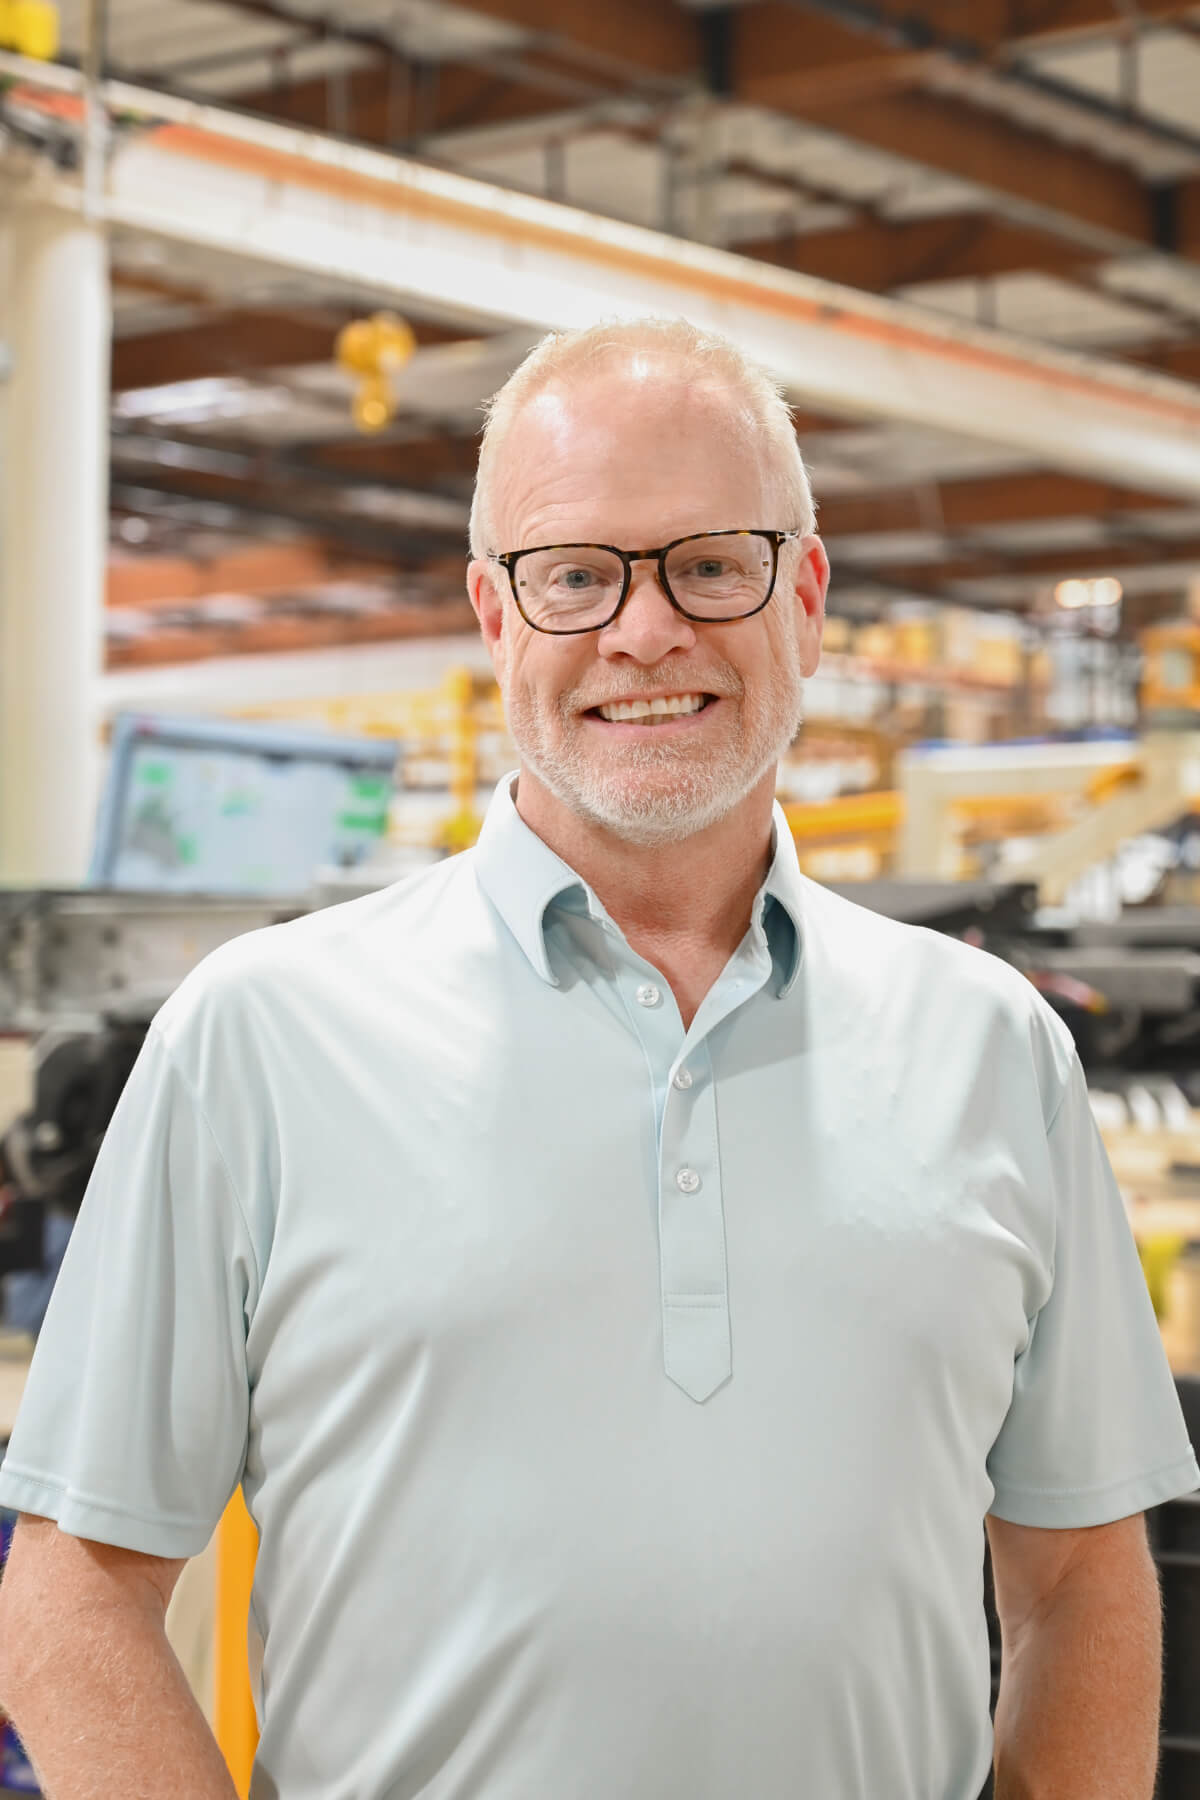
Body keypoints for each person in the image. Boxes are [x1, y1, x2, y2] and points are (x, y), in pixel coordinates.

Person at [0, 317, 1195, 1800]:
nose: (645, 631)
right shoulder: (261, 1036)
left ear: (805, 599)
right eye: (576, 574)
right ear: (496, 617)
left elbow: (1082, 1576)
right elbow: (70, 1590)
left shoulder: (992, 1047)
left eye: (711, 564)